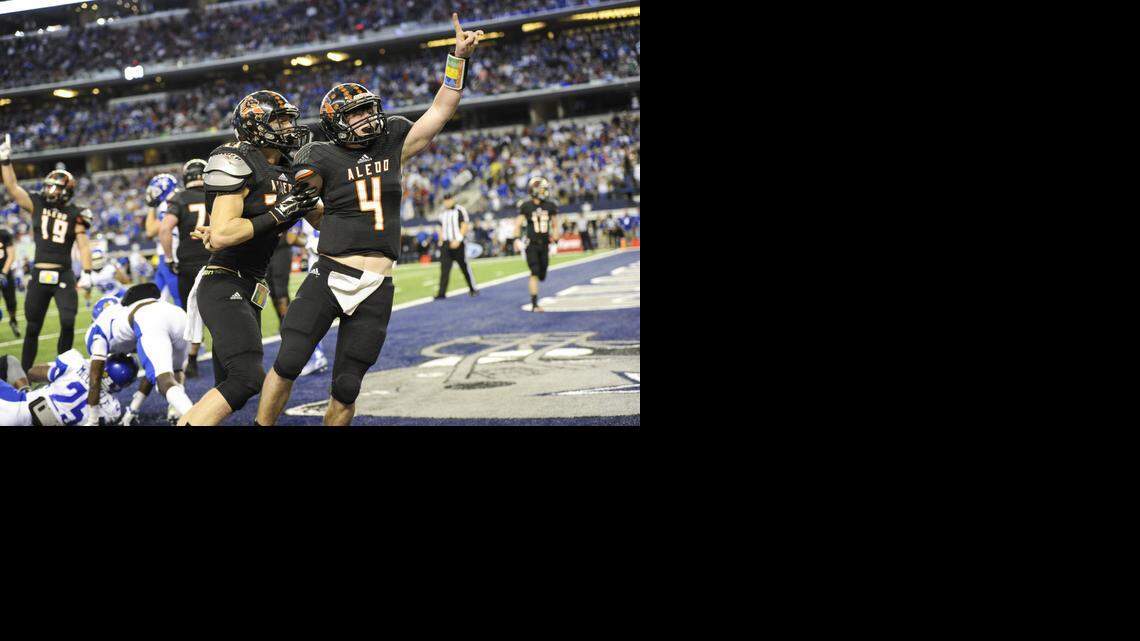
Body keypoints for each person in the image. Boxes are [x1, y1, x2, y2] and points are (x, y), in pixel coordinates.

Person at [255, 14, 484, 426]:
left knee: (346, 388)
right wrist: (308, 206)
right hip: (331, 272)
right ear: (335, 123)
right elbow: (313, 214)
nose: (366, 119)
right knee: (287, 363)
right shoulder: (319, 155)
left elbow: (441, 110)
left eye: (367, 111)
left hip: (378, 283)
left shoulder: (392, 138)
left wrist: (457, 59)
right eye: (355, 115)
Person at [177, 90, 317, 426]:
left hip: (252, 283)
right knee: (246, 378)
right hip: (224, 278)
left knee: (231, 384)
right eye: (279, 120)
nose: (288, 127)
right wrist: (280, 212)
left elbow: (320, 219)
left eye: (289, 119)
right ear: (255, 125)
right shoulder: (234, 158)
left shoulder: (287, 167)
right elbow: (223, 234)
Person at [1, 134, 94, 370]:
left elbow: (83, 244)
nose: (50, 190)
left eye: (55, 187)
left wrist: (87, 271)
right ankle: (23, 373)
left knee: (68, 321)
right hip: (39, 274)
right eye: (49, 186)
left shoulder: (76, 213)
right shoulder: (37, 204)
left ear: (67, 190)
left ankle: (62, 371)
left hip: (63, 274)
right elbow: (12, 187)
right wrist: (5, 160)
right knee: (33, 327)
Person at [83, 294, 192, 426]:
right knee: (176, 371)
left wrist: (93, 419)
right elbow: (153, 366)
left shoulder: (97, 330)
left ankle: (197, 419)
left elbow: (95, 379)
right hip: (177, 313)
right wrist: (133, 409)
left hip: (149, 318)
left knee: (164, 382)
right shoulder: (122, 311)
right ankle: (176, 411)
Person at [159, 158, 209, 377]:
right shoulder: (215, 195)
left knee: (189, 313)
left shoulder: (179, 198)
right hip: (213, 260)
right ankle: (217, 358)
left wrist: (169, 258)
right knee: (213, 312)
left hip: (187, 262)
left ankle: (187, 361)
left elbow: (164, 229)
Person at [0, 348, 135, 426]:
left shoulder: (76, 363)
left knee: (10, 361)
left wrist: (55, 374)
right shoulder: (113, 409)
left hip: (16, 407)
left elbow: (32, 373)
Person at [515, 176, 558, 312]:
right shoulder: (526, 206)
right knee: (534, 272)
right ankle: (534, 304)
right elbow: (517, 224)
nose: (545, 191)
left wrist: (556, 242)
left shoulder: (550, 206)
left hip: (545, 244)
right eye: (542, 189)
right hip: (531, 245)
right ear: (534, 190)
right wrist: (516, 239)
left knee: (542, 275)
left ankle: (535, 301)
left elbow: (555, 225)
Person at [144, 173, 182, 307]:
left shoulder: (168, 205)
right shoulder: (173, 202)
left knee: (177, 296)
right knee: (155, 298)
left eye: (155, 190)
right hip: (166, 254)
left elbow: (150, 231)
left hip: (170, 255)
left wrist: (150, 207)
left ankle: (185, 326)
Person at [434, 193, 478, 299]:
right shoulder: (442, 213)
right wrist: (440, 241)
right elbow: (439, 227)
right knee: (444, 269)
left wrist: (458, 240)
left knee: (464, 267)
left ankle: (472, 288)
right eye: (445, 200)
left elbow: (464, 225)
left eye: (448, 199)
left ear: (453, 200)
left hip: (458, 243)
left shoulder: (460, 210)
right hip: (445, 244)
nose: (447, 202)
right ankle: (441, 293)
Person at [0, 224, 19, 336]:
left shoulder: (4, 234)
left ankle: (13, 320)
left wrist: (3, 273)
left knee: (11, 302)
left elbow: (11, 255)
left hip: (5, 273)